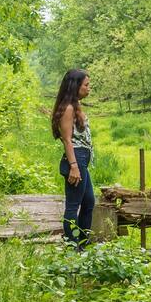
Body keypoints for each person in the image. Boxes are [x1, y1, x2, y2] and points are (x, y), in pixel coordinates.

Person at [52, 69, 97, 249]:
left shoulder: (75, 106)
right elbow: (67, 140)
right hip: (75, 159)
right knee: (73, 206)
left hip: (82, 159)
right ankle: (73, 247)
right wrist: (74, 166)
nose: (88, 88)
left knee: (89, 202)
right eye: (86, 85)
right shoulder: (68, 108)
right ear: (75, 86)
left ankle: (82, 245)